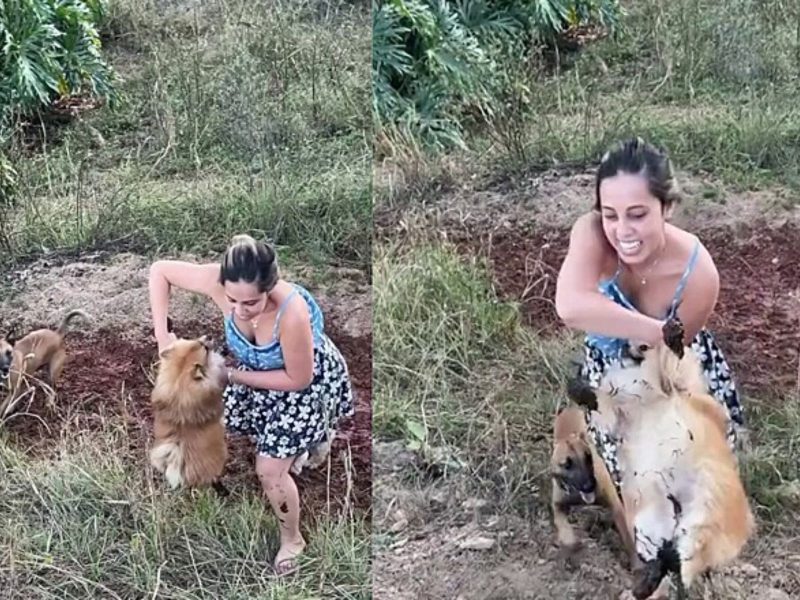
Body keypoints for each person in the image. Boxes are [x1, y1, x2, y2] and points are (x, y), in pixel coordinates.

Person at [148, 234, 355, 576]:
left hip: (301, 385)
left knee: (269, 469)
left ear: (269, 288)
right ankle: (300, 447)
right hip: (252, 373)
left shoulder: (292, 313)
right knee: (210, 413)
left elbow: (297, 379)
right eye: (232, 300)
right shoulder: (218, 282)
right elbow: (160, 271)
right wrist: (162, 337)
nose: (239, 310)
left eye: (251, 303)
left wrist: (231, 376)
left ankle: (293, 540)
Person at [554, 137, 745, 494]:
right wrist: (657, 329)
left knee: (698, 477)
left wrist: (661, 344)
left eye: (638, 214)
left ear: (667, 207)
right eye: (610, 214)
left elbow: (670, 362)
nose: (622, 231)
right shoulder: (591, 233)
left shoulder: (698, 273)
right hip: (610, 367)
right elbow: (570, 306)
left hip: (673, 367)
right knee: (631, 479)